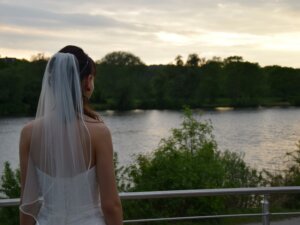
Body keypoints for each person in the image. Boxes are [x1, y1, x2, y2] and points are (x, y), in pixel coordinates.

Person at [19, 45, 123, 225]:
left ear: (52, 83)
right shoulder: (99, 133)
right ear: (88, 82)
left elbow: (28, 204)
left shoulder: (28, 134)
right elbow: (111, 205)